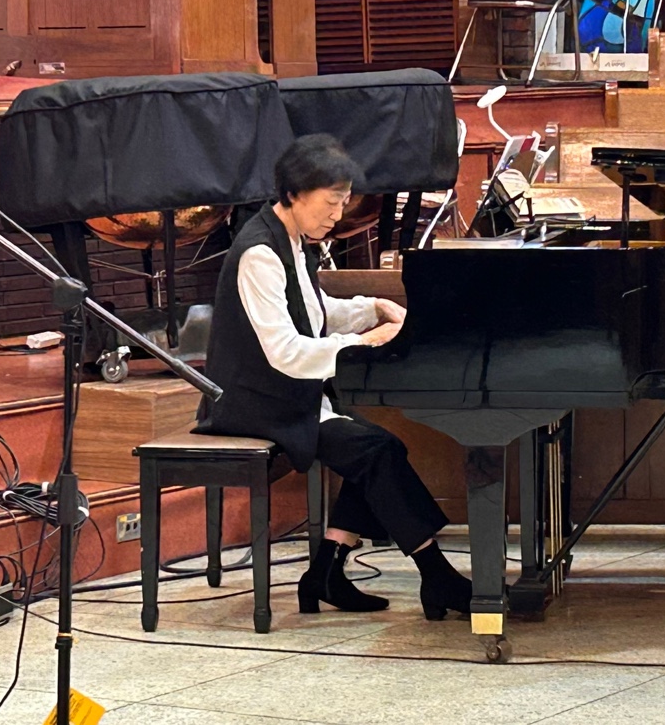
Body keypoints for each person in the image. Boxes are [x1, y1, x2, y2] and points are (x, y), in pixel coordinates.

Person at [196, 133, 471, 620]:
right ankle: (436, 575)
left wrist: (374, 307)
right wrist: (364, 343)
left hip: (287, 397)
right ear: (294, 194)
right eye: (330, 203)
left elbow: (313, 309)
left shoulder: (292, 240)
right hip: (253, 403)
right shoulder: (259, 254)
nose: (337, 215)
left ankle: (328, 570)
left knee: (379, 450)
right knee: (377, 451)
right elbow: (285, 351)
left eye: (343, 203)